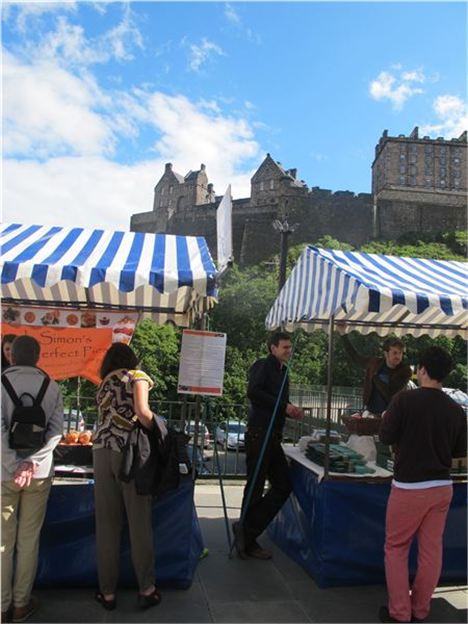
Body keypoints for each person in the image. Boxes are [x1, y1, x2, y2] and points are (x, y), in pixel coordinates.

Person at [378, 346, 467, 624]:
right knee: (431, 550)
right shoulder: (456, 409)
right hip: (441, 487)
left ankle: (400, 613)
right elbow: (459, 451)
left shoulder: (404, 400)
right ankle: (420, 610)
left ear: (422, 370)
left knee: (396, 548)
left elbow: (385, 436)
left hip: (409, 487)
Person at [93, 343, 161, 611]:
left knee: (107, 525)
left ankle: (107, 593)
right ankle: (147, 589)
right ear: (132, 359)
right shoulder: (137, 377)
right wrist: (161, 430)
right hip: (129, 453)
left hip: (101, 452)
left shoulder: (103, 384)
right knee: (138, 522)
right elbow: (143, 414)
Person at [1, 336, 64, 623]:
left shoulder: (0, 384)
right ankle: (21, 605)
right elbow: (55, 433)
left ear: (11, 356)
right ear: (38, 357)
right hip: (38, 475)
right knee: (29, 539)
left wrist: (14, 465)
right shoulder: (51, 387)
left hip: (2, 473)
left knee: (2, 542)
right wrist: (30, 464)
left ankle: (1, 606)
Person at [233, 331, 303, 560]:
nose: (288, 351)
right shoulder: (263, 366)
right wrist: (284, 407)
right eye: (284, 347)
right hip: (259, 434)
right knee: (255, 486)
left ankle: (247, 528)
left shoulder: (284, 371)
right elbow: (253, 392)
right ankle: (248, 537)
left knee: (283, 484)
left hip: (272, 435)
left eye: (289, 347)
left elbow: (277, 400)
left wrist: (290, 408)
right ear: (272, 348)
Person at [336, 322, 412, 415]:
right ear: (386, 353)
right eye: (395, 353)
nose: (398, 356)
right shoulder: (375, 363)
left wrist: (375, 378)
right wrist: (343, 334)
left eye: (400, 353)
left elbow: (390, 393)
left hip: (391, 415)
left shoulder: (405, 371)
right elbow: (355, 357)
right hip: (370, 413)